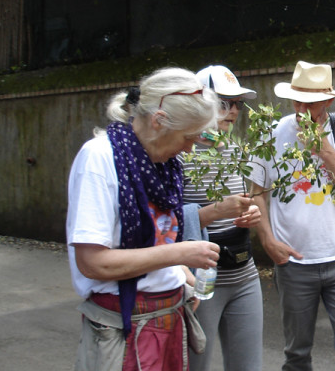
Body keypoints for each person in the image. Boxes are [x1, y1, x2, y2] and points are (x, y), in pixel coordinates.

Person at [66, 67, 223, 371]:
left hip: (167, 316)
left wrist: (179, 273)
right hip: (124, 325)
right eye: (188, 137)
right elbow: (92, 263)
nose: (190, 148)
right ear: (159, 121)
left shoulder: (161, 164)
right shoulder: (99, 159)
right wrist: (178, 254)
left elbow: (154, 242)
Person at [249, 61, 335, 370]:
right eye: (297, 101)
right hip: (293, 262)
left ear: (329, 101)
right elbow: (256, 193)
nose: (302, 109)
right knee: (297, 354)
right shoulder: (271, 133)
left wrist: (325, 150)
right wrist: (268, 241)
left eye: (312, 102)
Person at [179, 65, 263, 371]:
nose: (232, 112)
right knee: (195, 364)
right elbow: (165, 224)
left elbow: (244, 203)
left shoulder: (236, 149)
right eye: (223, 103)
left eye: (238, 104)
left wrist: (250, 212)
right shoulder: (179, 153)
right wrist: (215, 212)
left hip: (244, 273)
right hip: (200, 277)